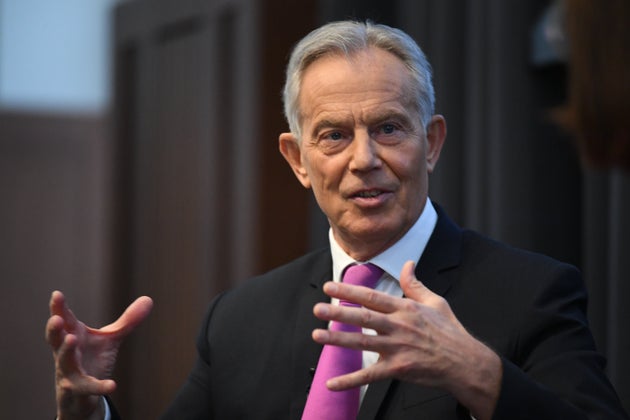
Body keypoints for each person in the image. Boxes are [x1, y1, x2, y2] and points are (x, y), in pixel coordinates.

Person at [46, 20, 629, 420]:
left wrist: (479, 373)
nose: (364, 159)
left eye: (388, 128)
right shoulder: (237, 319)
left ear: (431, 143)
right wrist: (87, 410)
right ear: (298, 160)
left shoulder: (533, 293)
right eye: (333, 135)